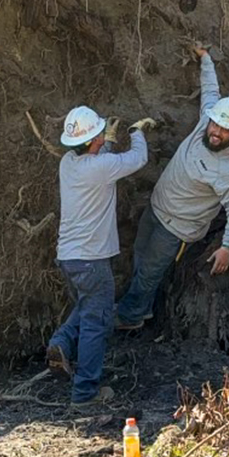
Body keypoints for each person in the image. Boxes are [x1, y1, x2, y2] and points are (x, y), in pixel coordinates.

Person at [115, 46, 229, 330]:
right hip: (156, 206)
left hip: (176, 228)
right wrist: (205, 58)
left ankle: (129, 317)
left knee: (150, 271)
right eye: (216, 124)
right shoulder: (206, 121)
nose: (216, 132)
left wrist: (227, 247)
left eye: (225, 130)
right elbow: (210, 88)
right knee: (139, 256)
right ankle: (144, 308)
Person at [46, 106, 155, 406]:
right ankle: (85, 394)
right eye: (98, 137)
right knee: (97, 323)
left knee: (87, 307)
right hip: (92, 261)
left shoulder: (69, 163)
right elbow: (137, 159)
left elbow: (99, 158)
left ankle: (61, 342)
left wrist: (106, 139)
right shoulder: (99, 167)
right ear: (92, 141)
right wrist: (137, 134)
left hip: (69, 258)